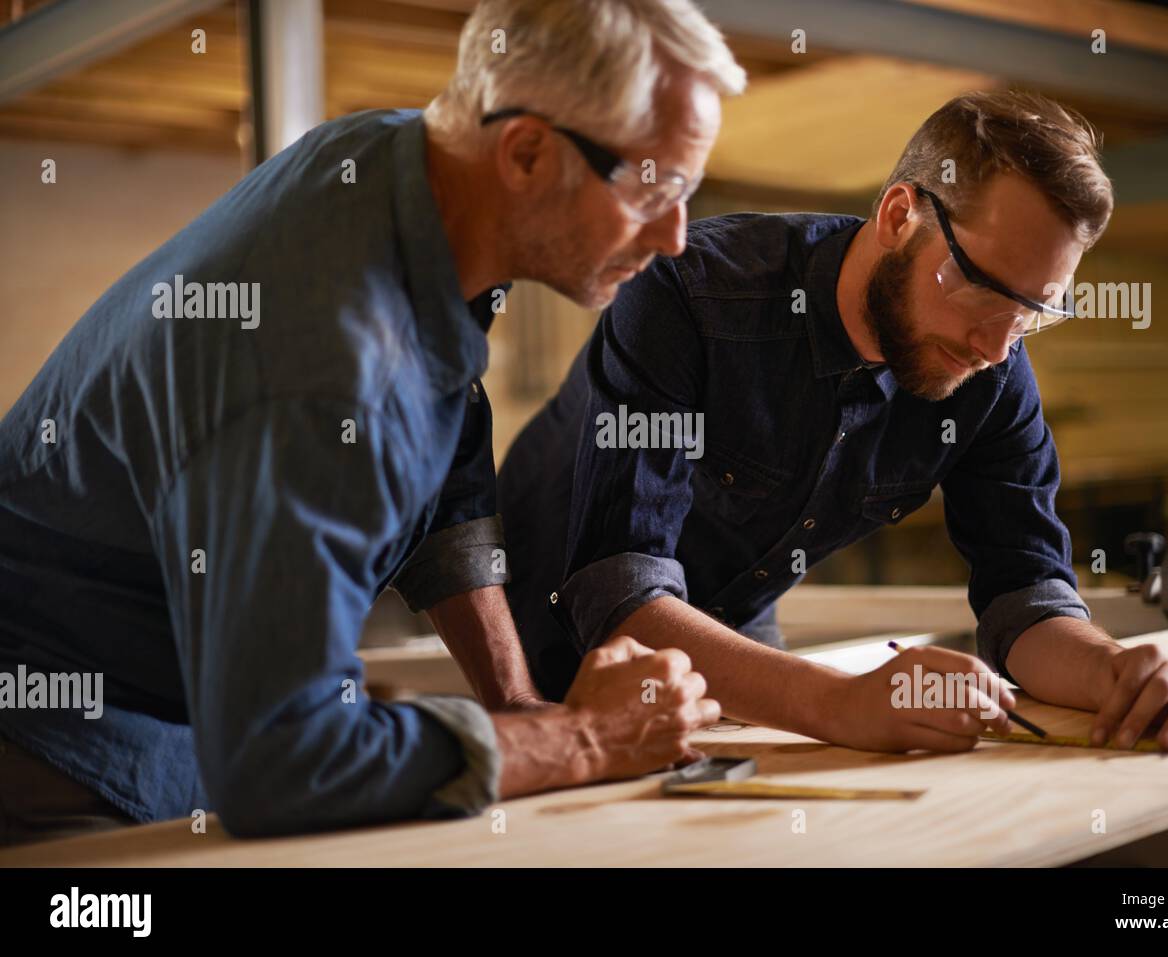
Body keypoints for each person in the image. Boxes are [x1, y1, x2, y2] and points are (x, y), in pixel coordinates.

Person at [0, 0, 745, 845]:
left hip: (190, 712)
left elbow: (451, 447)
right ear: (528, 152)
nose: (678, 237)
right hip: (51, 732)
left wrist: (515, 704)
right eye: (657, 185)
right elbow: (282, 762)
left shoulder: (401, 169)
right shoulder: (326, 369)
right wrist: (584, 738)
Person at [499, 91, 1168, 756]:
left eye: (1032, 312)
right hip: (530, 633)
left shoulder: (990, 369)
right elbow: (618, 589)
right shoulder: (689, 296)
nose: (994, 346)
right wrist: (841, 702)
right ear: (900, 215)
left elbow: (1023, 594)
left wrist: (1113, 672)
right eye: (985, 289)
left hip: (728, 634)